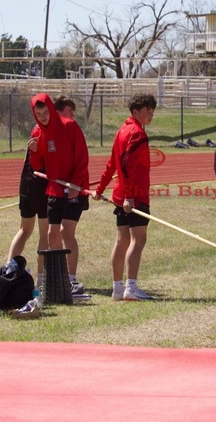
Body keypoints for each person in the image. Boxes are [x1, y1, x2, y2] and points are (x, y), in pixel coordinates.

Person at [93, 94, 157, 301]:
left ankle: (117, 288)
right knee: (137, 240)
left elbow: (111, 163)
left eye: (152, 110)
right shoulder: (137, 133)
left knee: (122, 241)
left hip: (121, 195)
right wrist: (130, 196)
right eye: (147, 110)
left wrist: (100, 189)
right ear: (135, 112)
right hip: (134, 195)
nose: (151, 114)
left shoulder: (122, 131)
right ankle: (130, 287)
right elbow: (126, 164)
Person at [29, 93, 90, 295]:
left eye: (45, 112)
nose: (43, 117)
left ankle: (72, 280)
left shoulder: (69, 126)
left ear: (51, 109)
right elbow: (38, 166)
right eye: (39, 114)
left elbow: (82, 156)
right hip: (55, 189)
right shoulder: (37, 132)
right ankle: (57, 279)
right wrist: (35, 152)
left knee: (66, 231)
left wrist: (76, 183)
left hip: (75, 187)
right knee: (51, 234)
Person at [7, 124, 49, 288]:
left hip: (26, 184)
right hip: (41, 186)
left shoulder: (35, 131)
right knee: (44, 233)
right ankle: (41, 279)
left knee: (24, 230)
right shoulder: (46, 132)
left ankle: (8, 270)